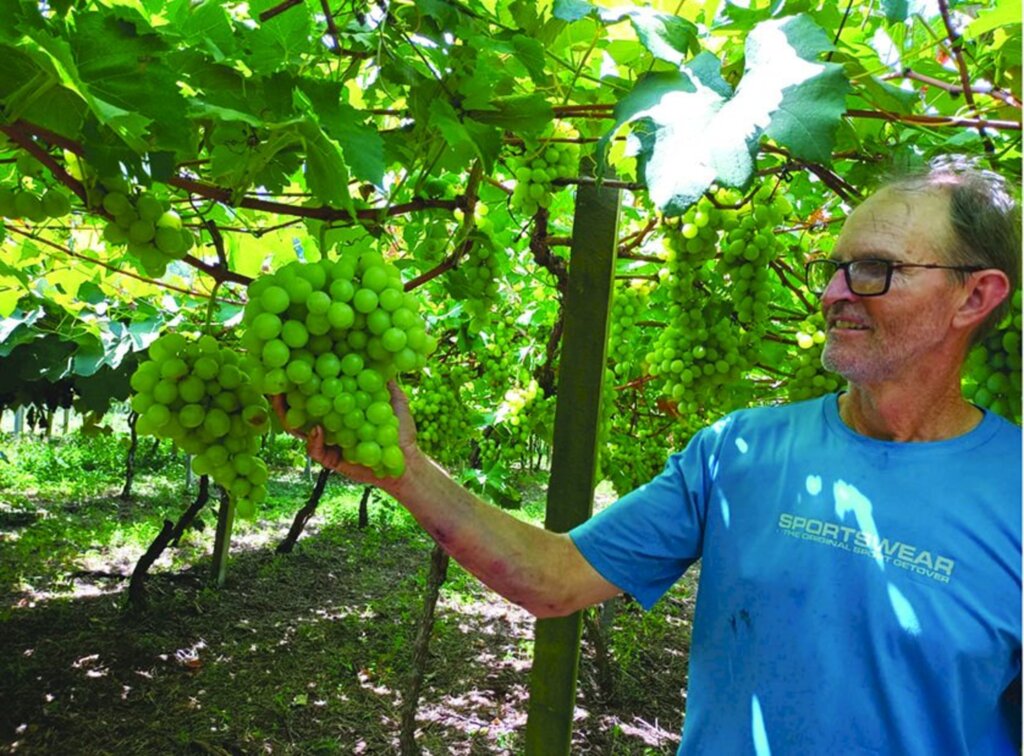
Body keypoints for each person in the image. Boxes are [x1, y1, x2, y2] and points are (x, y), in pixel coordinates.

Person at [285, 156, 1022, 754]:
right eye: (833, 266)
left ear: (973, 297)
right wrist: (404, 469)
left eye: (874, 269)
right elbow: (555, 579)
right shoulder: (739, 450)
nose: (832, 292)